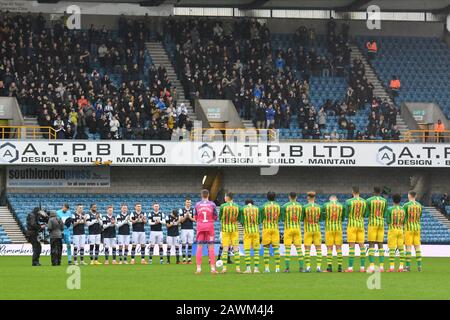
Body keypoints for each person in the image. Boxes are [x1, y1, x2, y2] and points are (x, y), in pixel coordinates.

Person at [194, 189, 218, 274]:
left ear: (201, 195)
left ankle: (199, 269)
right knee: (211, 247)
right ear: (208, 195)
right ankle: (212, 269)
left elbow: (195, 217)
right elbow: (215, 217)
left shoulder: (197, 204)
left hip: (200, 227)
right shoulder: (212, 204)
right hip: (209, 227)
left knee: (199, 247)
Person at [345, 186, 367, 273]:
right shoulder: (364, 202)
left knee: (351, 247)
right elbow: (365, 214)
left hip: (352, 226)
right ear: (359, 192)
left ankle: (350, 268)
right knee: (362, 247)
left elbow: (346, 214)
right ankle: (362, 267)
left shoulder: (348, 202)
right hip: (361, 225)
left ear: (352, 192)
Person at [366, 187, 388, 273]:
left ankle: (372, 266)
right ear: (380, 192)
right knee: (380, 244)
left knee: (371, 244)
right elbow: (385, 214)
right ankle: (381, 266)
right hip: (381, 224)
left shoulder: (369, 200)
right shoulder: (384, 201)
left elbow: (367, 213)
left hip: (372, 223)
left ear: (374, 192)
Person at [281, 192, 304, 273]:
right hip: (297, 229)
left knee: (287, 249)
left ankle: (287, 268)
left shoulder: (285, 206)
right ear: (296, 197)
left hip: (288, 229)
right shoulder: (300, 206)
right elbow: (301, 218)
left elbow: (282, 219)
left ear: (289, 197)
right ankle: (301, 268)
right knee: (299, 249)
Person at [218, 192, 241, 273]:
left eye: (225, 196)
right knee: (236, 249)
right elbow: (239, 217)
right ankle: (238, 268)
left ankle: (224, 268)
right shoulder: (237, 206)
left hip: (225, 230)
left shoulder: (222, 206)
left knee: (225, 249)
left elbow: (220, 217)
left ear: (227, 197)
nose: (224, 198)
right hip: (234, 230)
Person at [322, 195, 345, 273]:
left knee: (329, 248)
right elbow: (343, 218)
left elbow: (322, 217)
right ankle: (340, 267)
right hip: (338, 229)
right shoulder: (341, 205)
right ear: (337, 199)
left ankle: (329, 268)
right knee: (339, 248)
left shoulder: (326, 205)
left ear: (329, 199)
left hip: (329, 229)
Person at [302, 192, 323, 273]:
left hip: (308, 230)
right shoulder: (319, 207)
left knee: (307, 249)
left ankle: (308, 267)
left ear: (308, 198)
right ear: (314, 198)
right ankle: (318, 267)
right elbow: (320, 219)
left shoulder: (304, 207)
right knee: (318, 248)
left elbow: (301, 218)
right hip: (317, 230)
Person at [261, 191, 282, 273]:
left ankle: (267, 268)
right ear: (275, 197)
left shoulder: (264, 206)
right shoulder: (278, 206)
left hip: (266, 228)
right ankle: (277, 268)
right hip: (275, 228)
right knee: (276, 249)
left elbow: (262, 217)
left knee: (266, 248)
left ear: (267, 197)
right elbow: (280, 217)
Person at [239, 199, 261, 274]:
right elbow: (259, 220)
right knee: (256, 251)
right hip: (256, 232)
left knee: (247, 251)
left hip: (247, 232)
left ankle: (248, 269)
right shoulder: (257, 208)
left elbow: (241, 221)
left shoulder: (243, 209)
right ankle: (256, 269)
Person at [403, 191, 423, 272]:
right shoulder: (419, 205)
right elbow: (420, 216)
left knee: (408, 247)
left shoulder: (406, 205)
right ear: (416, 195)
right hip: (417, 227)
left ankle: (407, 267)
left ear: (409, 196)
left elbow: (403, 217)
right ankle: (419, 266)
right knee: (417, 247)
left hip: (409, 228)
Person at [386, 194, 406, 272]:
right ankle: (401, 267)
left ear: (393, 200)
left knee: (392, 249)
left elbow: (387, 221)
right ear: (400, 200)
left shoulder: (390, 209)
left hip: (392, 230)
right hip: (400, 230)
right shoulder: (403, 210)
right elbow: (404, 221)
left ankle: (392, 267)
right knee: (401, 249)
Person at [179, 198, 195, 264]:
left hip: (191, 229)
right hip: (183, 229)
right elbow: (180, 220)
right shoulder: (181, 210)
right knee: (184, 243)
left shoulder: (193, 210)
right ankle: (184, 259)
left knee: (190, 243)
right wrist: (186, 216)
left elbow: (194, 219)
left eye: (189, 202)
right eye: (187, 202)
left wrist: (190, 217)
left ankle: (189, 259)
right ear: (185, 203)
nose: (188, 203)